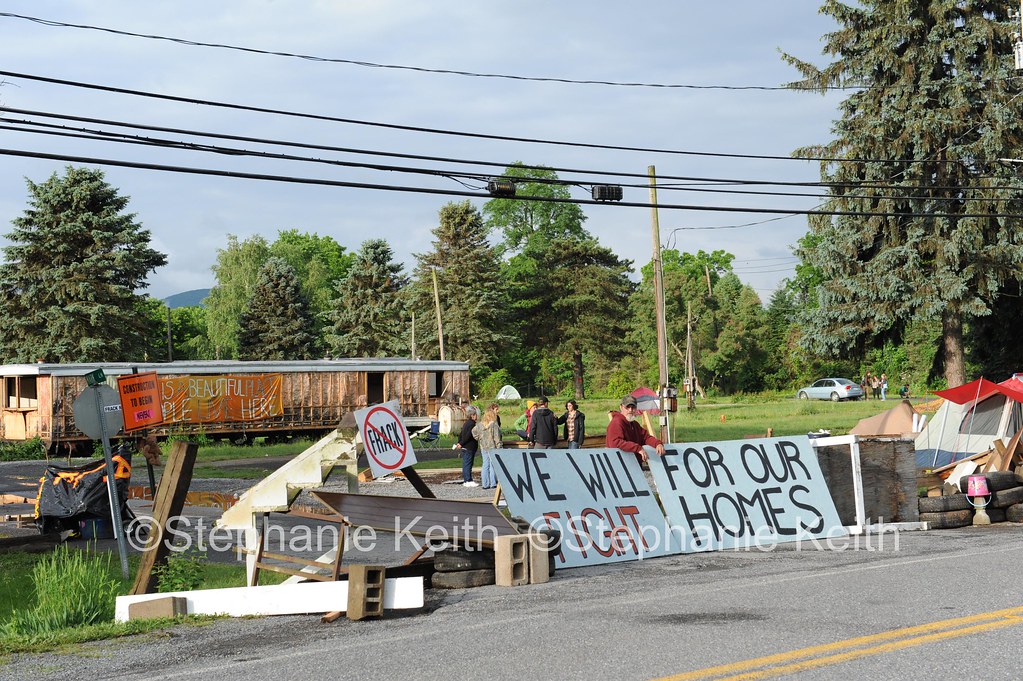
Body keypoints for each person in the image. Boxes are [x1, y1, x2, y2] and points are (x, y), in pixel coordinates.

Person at [606, 395, 665, 464]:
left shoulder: (634, 424)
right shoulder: (616, 422)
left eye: (633, 407)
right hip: (619, 464)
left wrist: (657, 444)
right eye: (627, 407)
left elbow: (645, 437)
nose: (630, 410)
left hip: (632, 464)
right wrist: (637, 448)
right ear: (621, 407)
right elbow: (615, 443)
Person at [472, 403, 503, 489]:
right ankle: (493, 483)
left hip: (483, 447)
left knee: (485, 465)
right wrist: (499, 447)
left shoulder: (480, 424)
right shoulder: (494, 425)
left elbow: (473, 431)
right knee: (493, 465)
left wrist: (479, 438)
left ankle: (485, 484)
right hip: (492, 447)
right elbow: (497, 438)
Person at [455, 405, 480, 487]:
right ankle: (468, 480)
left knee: (466, 463)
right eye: (476, 414)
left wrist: (459, 442)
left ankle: (467, 480)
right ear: (472, 415)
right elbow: (468, 436)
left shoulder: (466, 423)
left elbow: (461, 434)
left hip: (465, 446)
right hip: (469, 447)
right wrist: (461, 443)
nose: (477, 416)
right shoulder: (472, 424)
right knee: (468, 464)